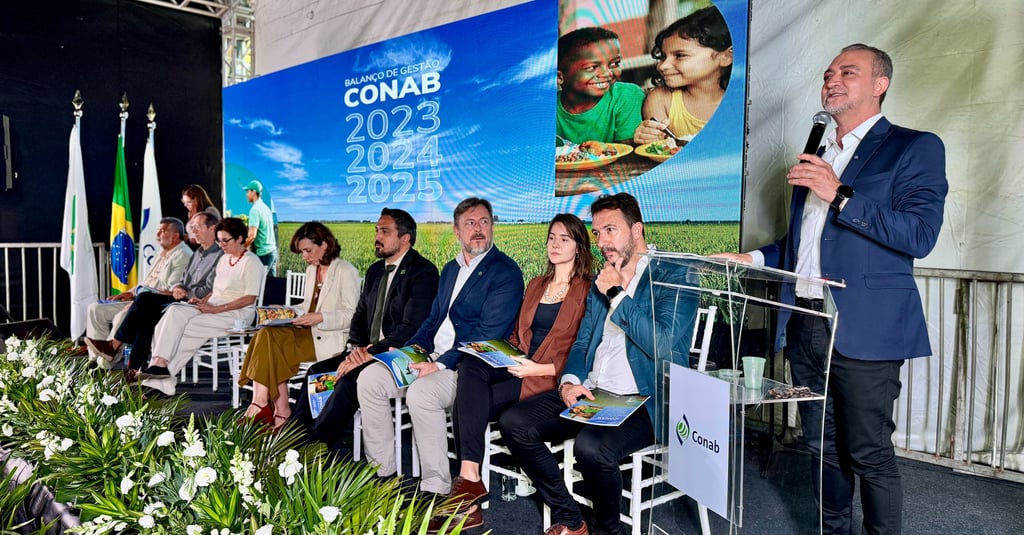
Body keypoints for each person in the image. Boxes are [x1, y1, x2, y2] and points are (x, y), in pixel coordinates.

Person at [712, 44, 947, 534]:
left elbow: (919, 235)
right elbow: (802, 244)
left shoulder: (914, 147)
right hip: (807, 321)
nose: (831, 80)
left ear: (880, 84)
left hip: (864, 328)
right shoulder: (819, 155)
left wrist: (838, 193)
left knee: (868, 450)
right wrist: (753, 258)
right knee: (821, 444)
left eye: (847, 72)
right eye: (827, 74)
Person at [499, 193, 696, 535]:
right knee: (514, 422)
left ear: (637, 230)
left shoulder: (674, 274)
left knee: (591, 447)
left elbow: (662, 344)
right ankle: (572, 519)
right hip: (594, 392)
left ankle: (609, 531)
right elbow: (583, 341)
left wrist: (617, 294)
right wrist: (569, 381)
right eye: (597, 233)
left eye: (610, 230)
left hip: (645, 399)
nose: (602, 242)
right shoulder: (602, 279)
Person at [356, 198, 524, 515]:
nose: (478, 229)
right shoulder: (450, 269)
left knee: (422, 393)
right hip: (431, 357)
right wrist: (410, 349)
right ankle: (383, 475)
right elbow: (432, 320)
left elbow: (487, 334)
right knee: (370, 379)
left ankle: (436, 488)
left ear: (493, 227)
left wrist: (439, 363)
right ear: (456, 230)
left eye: (484, 222)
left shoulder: (505, 272)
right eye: (470, 223)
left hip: (467, 366)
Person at [429, 213, 593, 532]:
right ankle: (470, 478)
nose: (555, 244)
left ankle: (468, 497)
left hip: (549, 377)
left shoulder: (587, 290)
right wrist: (501, 354)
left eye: (564, 239)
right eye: (552, 237)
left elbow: (585, 351)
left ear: (579, 246)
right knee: (470, 364)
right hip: (520, 365)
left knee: (468, 403)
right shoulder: (537, 284)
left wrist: (536, 368)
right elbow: (519, 336)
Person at [292, 208, 438, 450]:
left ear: (405, 238)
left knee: (348, 381)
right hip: (365, 352)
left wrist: (369, 353)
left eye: (385, 232)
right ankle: (291, 440)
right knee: (318, 372)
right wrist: (355, 349)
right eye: (376, 230)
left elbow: (410, 328)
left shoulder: (423, 272)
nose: (377, 237)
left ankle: (316, 447)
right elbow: (359, 316)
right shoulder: (375, 271)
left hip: (399, 354)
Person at [237, 222, 360, 429]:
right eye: (302, 252)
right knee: (266, 334)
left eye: (308, 251)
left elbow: (352, 315)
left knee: (270, 343)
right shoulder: (312, 269)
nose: (304, 256)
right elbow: (306, 306)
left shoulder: (346, 271)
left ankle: (267, 407)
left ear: (325, 245)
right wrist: (286, 310)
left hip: (329, 338)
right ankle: (272, 408)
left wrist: (320, 317)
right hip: (307, 333)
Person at [139, 217, 265, 397]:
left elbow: (250, 298)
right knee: (173, 312)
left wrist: (215, 309)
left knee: (185, 328)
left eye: (225, 240)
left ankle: (161, 380)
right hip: (214, 306)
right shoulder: (224, 259)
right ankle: (159, 363)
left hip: (237, 314)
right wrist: (204, 301)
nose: (221, 245)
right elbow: (217, 290)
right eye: (219, 241)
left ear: (239, 238)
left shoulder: (251, 262)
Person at [86, 212, 223, 377]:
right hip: (178, 297)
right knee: (145, 313)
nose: (193, 230)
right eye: (192, 227)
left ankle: (114, 347)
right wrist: (179, 287)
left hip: (193, 302)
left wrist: (184, 291)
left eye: (197, 227)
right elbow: (182, 280)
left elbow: (210, 288)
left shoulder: (218, 255)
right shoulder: (197, 253)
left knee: (144, 301)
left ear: (212, 228)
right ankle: (134, 369)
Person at [83, 217, 192, 366]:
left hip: (154, 305)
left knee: (121, 317)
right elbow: (147, 281)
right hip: (140, 299)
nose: (157, 234)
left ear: (175, 236)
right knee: (95, 309)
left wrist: (137, 299)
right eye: (158, 230)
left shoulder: (183, 255)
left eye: (162, 231)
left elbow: (170, 290)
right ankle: (94, 359)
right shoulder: (163, 252)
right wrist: (131, 293)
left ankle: (104, 364)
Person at [633, 5, 733, 144]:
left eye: (680, 55)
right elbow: (660, 150)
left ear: (726, 57)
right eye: (662, 57)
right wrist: (648, 138)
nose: (663, 66)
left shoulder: (742, 100)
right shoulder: (661, 100)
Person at [556, 27, 644, 145]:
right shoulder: (546, 108)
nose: (607, 73)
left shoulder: (626, 96)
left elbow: (627, 152)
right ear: (560, 77)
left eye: (614, 63)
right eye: (592, 67)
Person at [243, 179, 278, 276]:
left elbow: (252, 236)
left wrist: (241, 248)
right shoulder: (266, 208)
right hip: (272, 252)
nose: (246, 194)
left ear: (254, 192)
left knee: (257, 282)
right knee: (271, 283)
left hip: (264, 254)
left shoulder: (255, 210)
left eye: (248, 191)